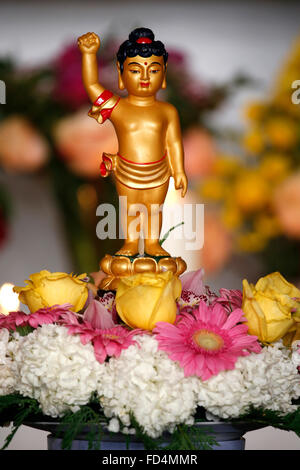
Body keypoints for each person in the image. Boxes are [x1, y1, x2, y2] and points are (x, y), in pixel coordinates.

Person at [78, 27, 187, 257]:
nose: (145, 77)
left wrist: (179, 170)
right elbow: (92, 87)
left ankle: (152, 245)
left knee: (154, 210)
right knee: (130, 209)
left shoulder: (167, 111)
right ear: (121, 73)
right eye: (136, 70)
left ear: (164, 73)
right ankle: (129, 243)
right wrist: (89, 55)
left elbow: (174, 142)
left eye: (154, 70)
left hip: (159, 170)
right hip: (127, 170)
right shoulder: (119, 108)